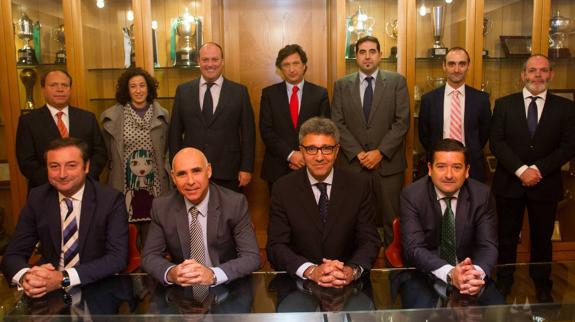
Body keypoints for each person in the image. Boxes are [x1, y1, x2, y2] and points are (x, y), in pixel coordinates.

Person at [490, 54, 575, 302]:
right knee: (506, 238)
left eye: (543, 70)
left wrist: (537, 170)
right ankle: (504, 282)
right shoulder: (504, 104)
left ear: (551, 75)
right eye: (532, 70)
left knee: (542, 239)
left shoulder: (565, 107)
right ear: (522, 75)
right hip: (509, 184)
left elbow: (569, 146)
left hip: (545, 183)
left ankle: (542, 284)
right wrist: (520, 170)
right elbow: (496, 142)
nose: (538, 75)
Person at [1, 137, 128, 298]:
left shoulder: (110, 199)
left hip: (97, 288)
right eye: (54, 166)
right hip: (49, 291)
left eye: (71, 165)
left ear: (86, 166)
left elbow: (117, 258)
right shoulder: (38, 198)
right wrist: (28, 278)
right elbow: (13, 255)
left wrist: (63, 278)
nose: (62, 174)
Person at [267, 117, 381, 288]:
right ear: (302, 151)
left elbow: (370, 241)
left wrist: (350, 271)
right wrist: (311, 271)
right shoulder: (283, 189)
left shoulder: (359, 186)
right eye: (312, 149)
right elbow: (276, 246)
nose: (319, 157)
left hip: (348, 285)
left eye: (326, 149)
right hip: (298, 286)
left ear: (336, 151)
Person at [331, 35, 410, 247]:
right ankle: (355, 263)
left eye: (372, 51)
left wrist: (380, 152)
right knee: (352, 217)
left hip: (388, 165)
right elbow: (337, 123)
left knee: (391, 219)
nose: (368, 57)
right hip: (353, 165)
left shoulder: (397, 82)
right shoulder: (341, 85)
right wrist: (358, 153)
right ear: (355, 56)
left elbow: (402, 122)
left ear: (380, 55)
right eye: (362, 52)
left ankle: (395, 265)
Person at [141, 147, 260, 287]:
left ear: (208, 171)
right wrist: (171, 273)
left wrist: (213, 275)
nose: (190, 181)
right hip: (183, 289)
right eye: (181, 174)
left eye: (196, 171)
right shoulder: (162, 206)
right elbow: (149, 256)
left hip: (227, 285)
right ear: (173, 177)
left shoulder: (234, 203)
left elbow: (251, 257)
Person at [400, 139, 498, 306]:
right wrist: (452, 273)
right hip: (425, 275)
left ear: (467, 171)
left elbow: (488, 245)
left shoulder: (482, 195)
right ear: (430, 169)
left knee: (500, 312)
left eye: (457, 167)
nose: (449, 175)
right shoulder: (412, 195)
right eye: (441, 166)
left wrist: (475, 274)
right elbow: (414, 248)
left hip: (471, 276)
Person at [168, 42, 255, 192]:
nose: (210, 64)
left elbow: (248, 133)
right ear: (198, 61)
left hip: (228, 171)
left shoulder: (239, 92)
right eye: (205, 60)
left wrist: (246, 168)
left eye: (215, 59)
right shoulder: (183, 91)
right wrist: (177, 168)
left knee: (228, 214)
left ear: (222, 61)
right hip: (191, 172)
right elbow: (174, 133)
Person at [101, 67, 170, 247]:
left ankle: (151, 266)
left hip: (155, 182)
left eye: (142, 85)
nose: (138, 90)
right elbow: (107, 152)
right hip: (124, 181)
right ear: (127, 90)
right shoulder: (112, 117)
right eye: (133, 86)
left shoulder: (163, 115)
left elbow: (168, 149)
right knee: (126, 231)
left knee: (154, 228)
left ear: (149, 88)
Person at [16, 69, 107, 190]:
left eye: (65, 85)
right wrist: (58, 182)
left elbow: (100, 152)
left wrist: (83, 179)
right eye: (53, 85)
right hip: (46, 190)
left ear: (70, 89)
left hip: (86, 188)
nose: (60, 89)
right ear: (43, 89)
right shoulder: (28, 121)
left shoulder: (87, 118)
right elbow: (26, 162)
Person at [260, 44, 330, 191]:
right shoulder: (269, 94)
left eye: (296, 63)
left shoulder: (320, 94)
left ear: (304, 66)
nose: (291, 69)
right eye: (286, 65)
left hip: (312, 166)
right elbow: (266, 130)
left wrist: (305, 156)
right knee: (279, 213)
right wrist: (290, 155)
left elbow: (324, 132)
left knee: (310, 213)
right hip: (277, 167)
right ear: (280, 69)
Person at [418, 47, 491, 182]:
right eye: (451, 64)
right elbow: (424, 134)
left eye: (462, 64)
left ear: (468, 66)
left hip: (471, 166)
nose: (456, 69)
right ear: (444, 66)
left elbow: (484, 134)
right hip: (438, 166)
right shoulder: (428, 99)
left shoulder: (481, 99)